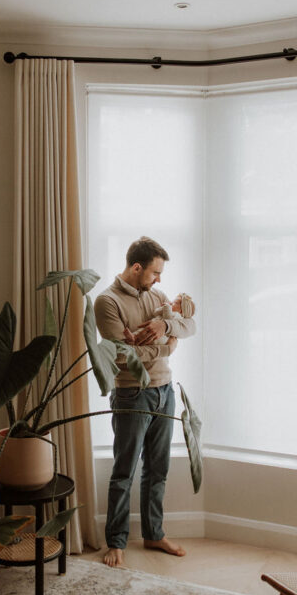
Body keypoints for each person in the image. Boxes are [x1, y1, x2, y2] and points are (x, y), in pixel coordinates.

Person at [93, 236, 196, 568]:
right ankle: (116, 542)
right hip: (131, 393)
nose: (159, 280)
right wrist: (166, 344)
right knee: (124, 470)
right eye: (154, 272)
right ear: (136, 268)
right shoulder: (107, 302)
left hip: (165, 391)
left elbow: (188, 327)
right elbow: (123, 357)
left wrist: (164, 324)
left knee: (158, 469)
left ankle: (154, 534)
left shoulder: (158, 296)